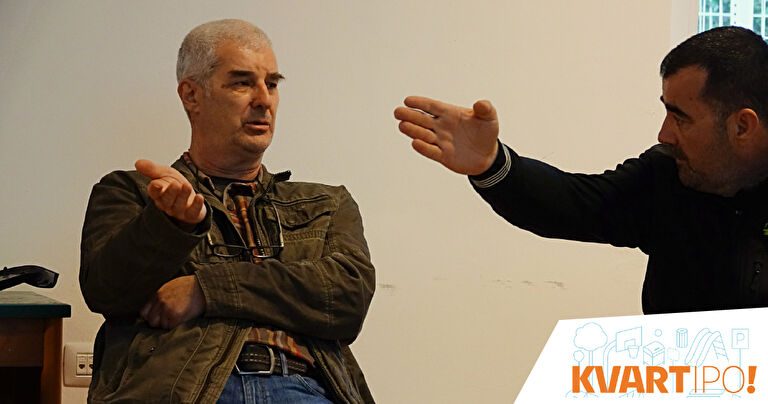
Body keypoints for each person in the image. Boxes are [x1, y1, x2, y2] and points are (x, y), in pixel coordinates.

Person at [80, 19, 375, 403]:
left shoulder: (326, 203)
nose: (264, 100)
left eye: (272, 84)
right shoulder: (135, 193)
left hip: (304, 387)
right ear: (192, 95)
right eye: (242, 83)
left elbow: (347, 299)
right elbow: (106, 292)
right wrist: (170, 226)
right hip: (182, 393)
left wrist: (206, 290)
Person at [394, 26, 768, 314]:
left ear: (742, 126)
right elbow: (572, 204)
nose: (663, 134)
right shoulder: (667, 175)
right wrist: (491, 163)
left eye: (681, 118)